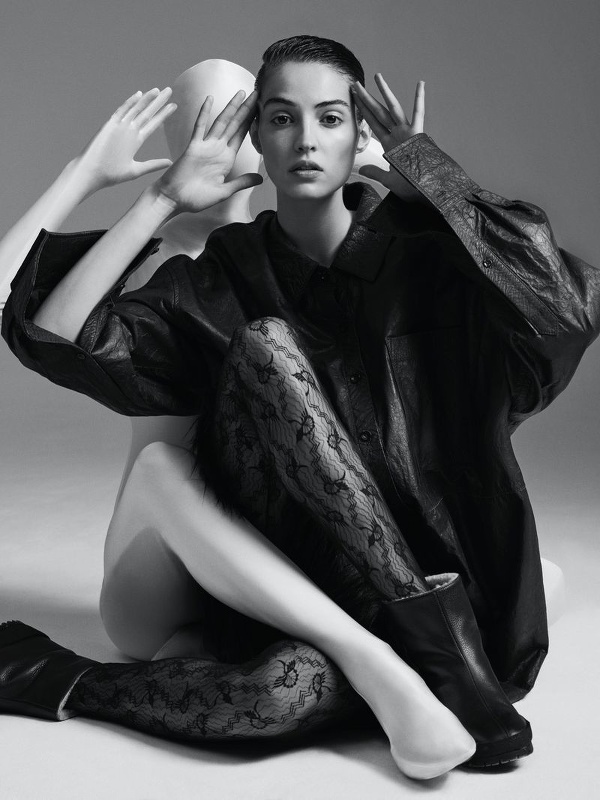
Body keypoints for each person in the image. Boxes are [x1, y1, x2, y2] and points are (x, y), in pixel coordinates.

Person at [1, 34, 599, 780]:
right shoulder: (223, 270)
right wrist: (160, 198)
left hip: (418, 561)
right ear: (258, 138)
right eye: (282, 118)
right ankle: (436, 659)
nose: (306, 140)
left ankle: (54, 675)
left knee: (278, 695)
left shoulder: (426, 256)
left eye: (330, 118)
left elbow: (565, 312)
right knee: (265, 342)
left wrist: (430, 175)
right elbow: (57, 339)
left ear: (362, 137)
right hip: (286, 562)